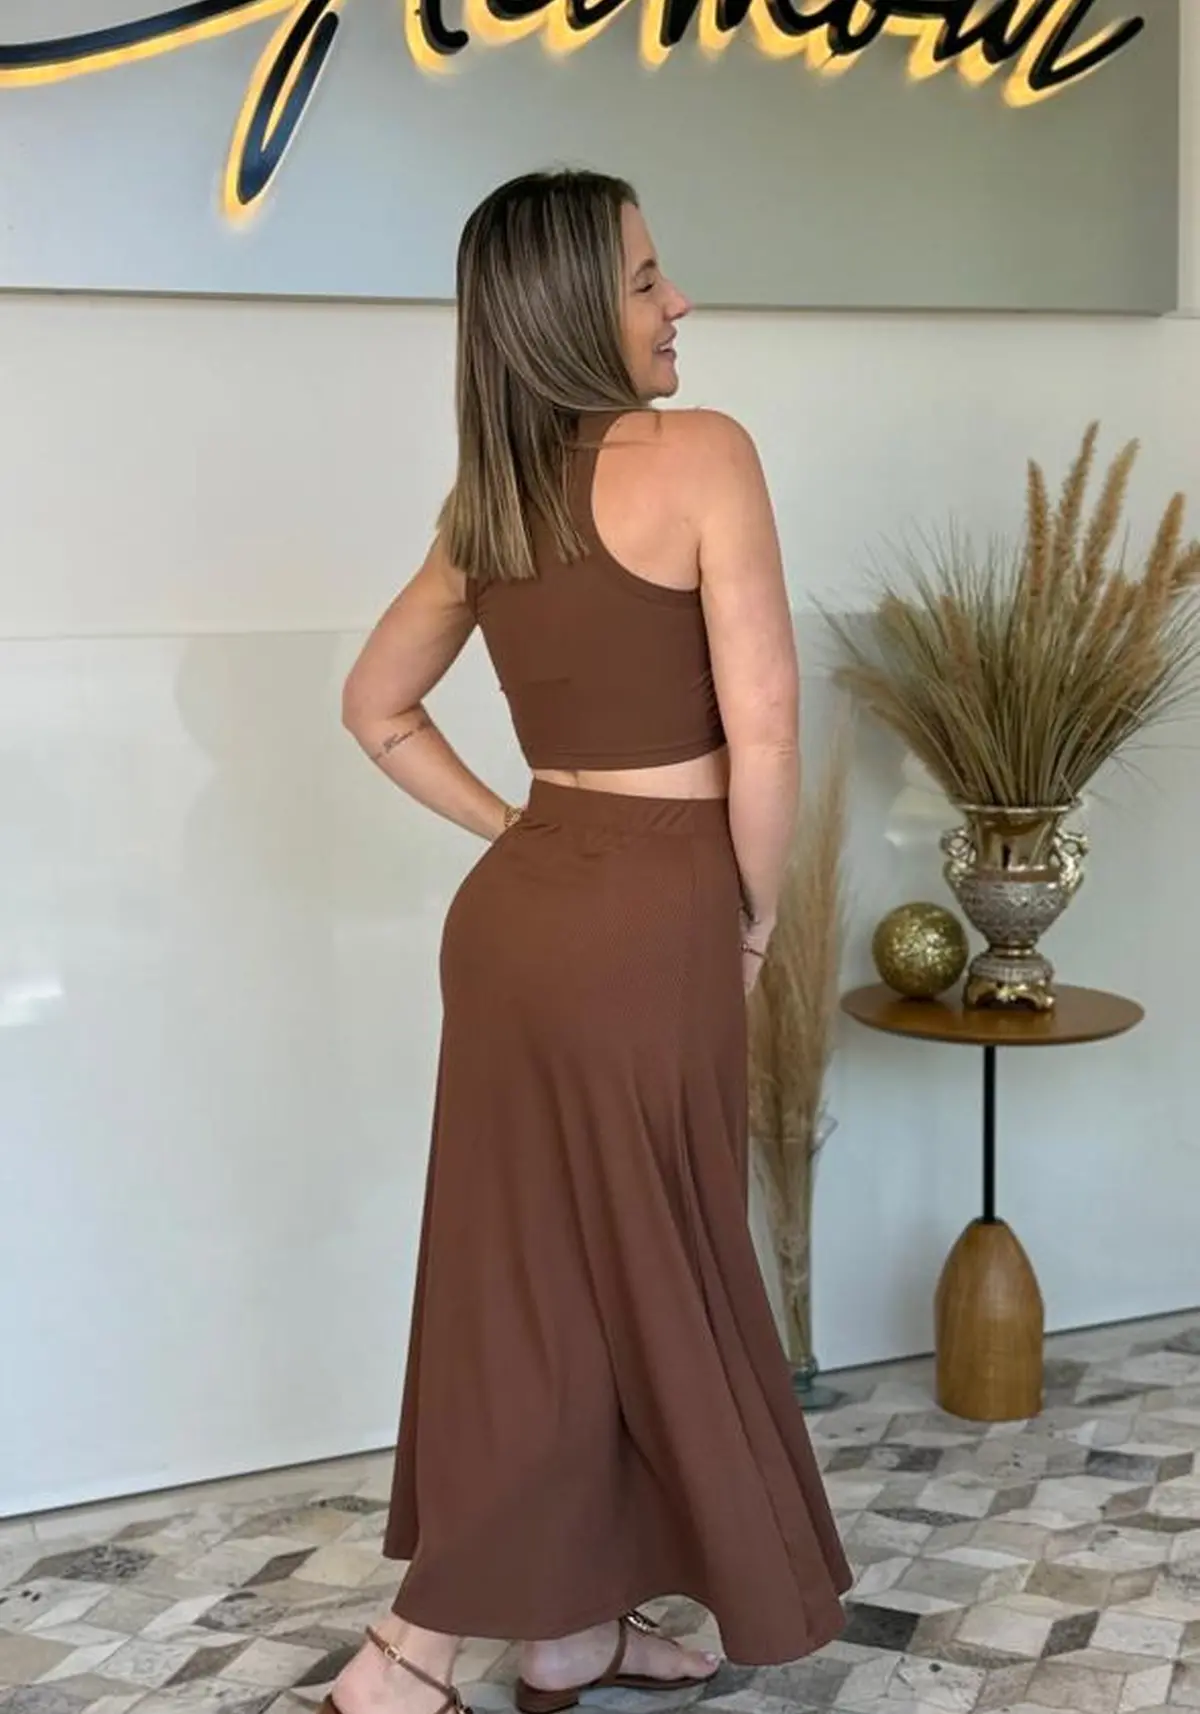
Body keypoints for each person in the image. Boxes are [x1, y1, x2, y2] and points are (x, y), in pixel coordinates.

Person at [333, 168, 852, 1714]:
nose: (677, 300)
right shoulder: (703, 455)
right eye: (643, 278)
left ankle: (569, 1630)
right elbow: (767, 729)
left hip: (520, 918)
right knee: (633, 1275)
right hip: (653, 913)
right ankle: (411, 1651)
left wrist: (518, 826)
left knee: (541, 1283)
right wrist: (753, 917)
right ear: (571, 305)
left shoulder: (487, 508)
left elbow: (375, 707)